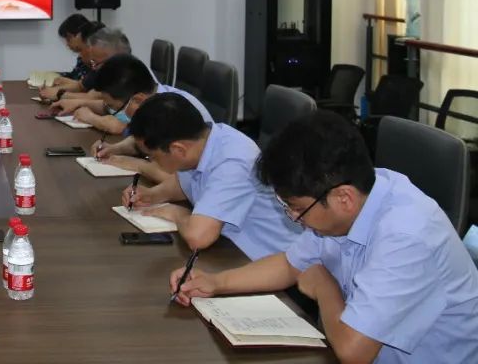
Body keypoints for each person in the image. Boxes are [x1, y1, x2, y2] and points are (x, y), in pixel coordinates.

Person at [170, 111, 478, 363]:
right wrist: (215, 282)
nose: (293, 218)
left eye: (296, 208)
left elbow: (354, 352)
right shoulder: (350, 199)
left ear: (343, 198)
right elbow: (290, 264)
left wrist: (323, 286)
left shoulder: (406, 236)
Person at [119, 94, 301, 261]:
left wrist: (178, 214)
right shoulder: (204, 142)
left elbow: (198, 237)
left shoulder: (233, 161)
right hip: (228, 248)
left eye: (153, 156)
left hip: (267, 261)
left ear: (178, 149)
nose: (152, 161)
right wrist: (153, 195)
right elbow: (186, 183)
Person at [78, 54, 213, 177]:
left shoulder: (175, 110)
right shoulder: (157, 102)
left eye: (116, 108)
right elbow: (148, 141)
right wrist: (116, 148)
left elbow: (179, 180)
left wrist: (138, 165)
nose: (115, 113)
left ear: (137, 99)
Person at [42, 25, 126, 104]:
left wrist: (59, 94)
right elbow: (82, 87)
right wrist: (55, 91)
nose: (80, 55)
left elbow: (96, 98)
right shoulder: (101, 67)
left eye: (80, 49)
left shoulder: (123, 76)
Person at [50, 13, 92, 86]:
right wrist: (56, 75)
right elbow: (75, 75)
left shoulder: (94, 57)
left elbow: (87, 86)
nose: (67, 44)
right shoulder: (82, 55)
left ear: (80, 35)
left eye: (69, 38)